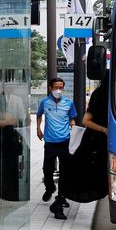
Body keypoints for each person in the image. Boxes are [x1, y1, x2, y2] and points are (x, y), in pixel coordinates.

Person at [35, 77, 78, 217]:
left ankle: (61, 196)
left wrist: (73, 126)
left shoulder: (68, 103)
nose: (58, 90)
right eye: (56, 87)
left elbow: (72, 118)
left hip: (64, 141)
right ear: (50, 88)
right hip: (50, 142)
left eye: (61, 87)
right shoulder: (44, 102)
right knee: (47, 169)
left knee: (65, 171)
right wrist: (38, 128)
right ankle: (50, 187)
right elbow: (39, 115)